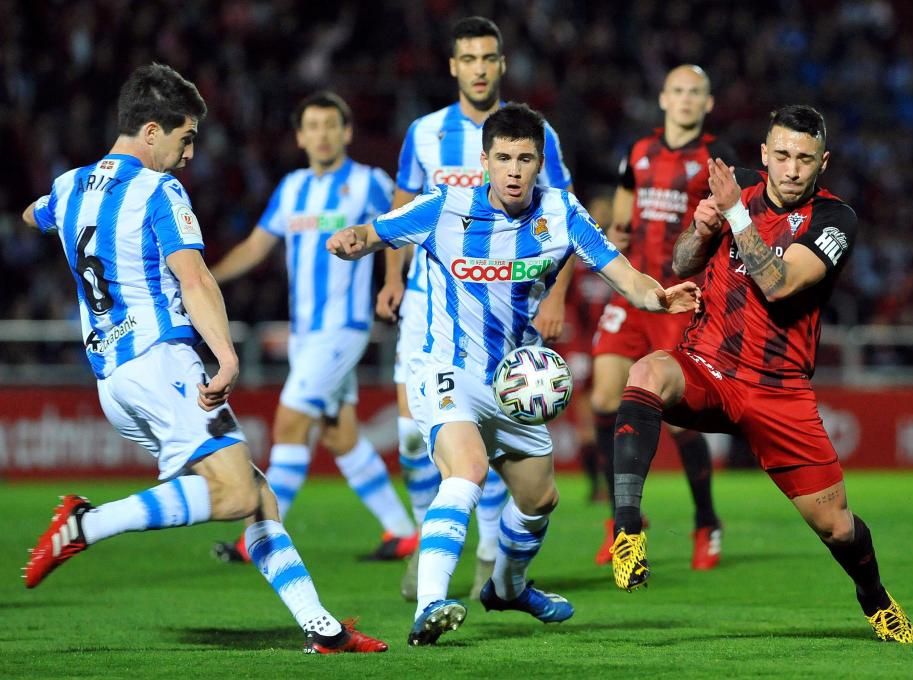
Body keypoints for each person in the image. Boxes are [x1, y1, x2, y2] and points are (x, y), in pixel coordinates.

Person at [19, 64, 387, 654]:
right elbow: (193, 279)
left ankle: (324, 628)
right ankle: (85, 524)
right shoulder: (160, 190)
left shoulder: (68, 186)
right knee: (238, 496)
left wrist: (62, 216)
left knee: (258, 494)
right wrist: (225, 357)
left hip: (113, 382)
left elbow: (31, 216)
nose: (189, 154)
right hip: (164, 363)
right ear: (151, 132)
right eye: (184, 137)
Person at [329, 103, 701, 646]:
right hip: (447, 368)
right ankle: (431, 603)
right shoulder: (444, 207)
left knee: (540, 499)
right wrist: (349, 241)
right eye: (502, 157)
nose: (513, 170)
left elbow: (623, 274)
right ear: (484, 161)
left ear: (538, 161)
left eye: (525, 158)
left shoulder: (561, 212)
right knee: (468, 468)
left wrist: (659, 297)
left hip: (514, 381)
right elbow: (375, 231)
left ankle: (508, 586)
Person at [608, 104, 913, 644]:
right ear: (764, 155)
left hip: (779, 392)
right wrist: (703, 229)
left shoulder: (834, 219)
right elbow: (682, 263)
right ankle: (628, 528)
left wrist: (734, 215)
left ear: (824, 163)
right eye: (782, 155)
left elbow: (778, 284)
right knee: (648, 371)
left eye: (805, 158)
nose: (792, 168)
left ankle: (877, 599)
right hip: (709, 366)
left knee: (836, 525)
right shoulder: (738, 188)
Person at [376, 16, 575, 601]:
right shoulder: (426, 132)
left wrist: (556, 296)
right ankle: (428, 536)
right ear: (454, 66)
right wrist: (392, 275)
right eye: (469, 58)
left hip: (505, 304)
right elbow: (401, 205)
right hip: (426, 299)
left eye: (489, 58)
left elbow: (561, 213)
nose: (480, 68)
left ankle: (488, 552)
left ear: (502, 65)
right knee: (413, 436)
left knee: (487, 431)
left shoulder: (535, 134)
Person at [207, 91, 417, 565]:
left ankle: (257, 538)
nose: (322, 135)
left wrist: (392, 280)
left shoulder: (369, 183)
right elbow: (258, 246)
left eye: (331, 125)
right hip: (305, 333)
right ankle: (404, 533)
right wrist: (206, 278)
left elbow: (401, 229)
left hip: (343, 328)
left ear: (346, 132)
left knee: (289, 423)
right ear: (300, 136)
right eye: (312, 127)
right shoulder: (292, 188)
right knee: (339, 434)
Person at [591, 65, 735, 569]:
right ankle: (620, 522)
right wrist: (618, 231)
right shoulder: (639, 151)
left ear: (708, 103)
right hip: (633, 289)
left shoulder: (714, 160)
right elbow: (625, 203)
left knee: (676, 418)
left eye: (696, 92)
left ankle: (706, 523)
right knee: (604, 395)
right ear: (663, 98)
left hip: (678, 297)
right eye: (678, 91)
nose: (686, 100)